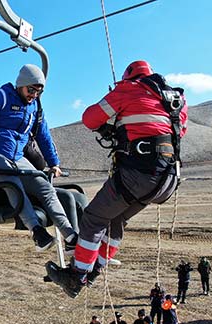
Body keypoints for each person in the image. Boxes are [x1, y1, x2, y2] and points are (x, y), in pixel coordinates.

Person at [45, 60, 188, 298]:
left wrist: (115, 121)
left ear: (128, 76)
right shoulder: (176, 100)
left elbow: (90, 118)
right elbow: (176, 131)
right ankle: (94, 271)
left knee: (93, 218)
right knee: (116, 220)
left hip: (138, 174)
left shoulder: (128, 89)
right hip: (168, 179)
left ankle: (76, 277)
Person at [0, 64, 78, 252]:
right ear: (21, 85)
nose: (34, 95)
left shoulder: (35, 108)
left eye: (39, 91)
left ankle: (69, 234)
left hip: (18, 158)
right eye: (31, 90)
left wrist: (54, 163)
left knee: (44, 185)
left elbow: (43, 135)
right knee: (13, 184)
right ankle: (37, 232)